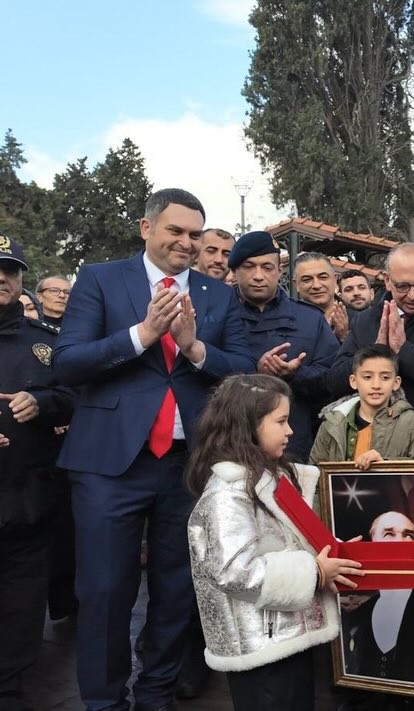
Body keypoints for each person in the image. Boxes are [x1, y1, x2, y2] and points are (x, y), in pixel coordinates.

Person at [52, 188, 255, 711]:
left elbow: (243, 370)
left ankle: (156, 694)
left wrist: (194, 347)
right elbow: (68, 362)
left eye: (195, 234)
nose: (187, 242)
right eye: (176, 231)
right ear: (147, 228)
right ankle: (104, 701)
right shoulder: (100, 279)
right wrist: (142, 335)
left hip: (189, 467)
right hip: (108, 465)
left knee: (178, 589)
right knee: (104, 590)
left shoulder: (217, 296)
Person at [186, 374, 364, 711]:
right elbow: (234, 572)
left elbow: (294, 541)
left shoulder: (271, 479)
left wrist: (334, 559)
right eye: (281, 421)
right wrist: (316, 571)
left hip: (286, 636)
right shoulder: (227, 493)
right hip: (262, 649)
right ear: (248, 427)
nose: (290, 430)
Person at [0, 236, 74, 710]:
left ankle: (8, 687)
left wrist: (43, 402)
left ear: (21, 277)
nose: (0, 278)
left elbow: (74, 397)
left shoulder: (45, 342)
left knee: (21, 604)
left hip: (27, 498)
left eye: (9, 270)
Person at [325, 243, 414, 418]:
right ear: (387, 281)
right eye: (402, 287)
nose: (413, 295)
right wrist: (373, 352)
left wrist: (405, 350)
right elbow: (334, 383)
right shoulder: (364, 321)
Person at [230, 231, 338, 462]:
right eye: (249, 267)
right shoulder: (217, 314)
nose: (258, 276)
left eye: (267, 267)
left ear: (280, 271)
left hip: (293, 444)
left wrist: (294, 374)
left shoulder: (310, 319)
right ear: (235, 271)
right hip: (232, 442)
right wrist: (255, 373)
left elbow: (332, 378)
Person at [341, 510, 414, 687]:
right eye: (389, 534)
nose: (400, 542)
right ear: (372, 544)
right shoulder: (358, 615)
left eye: (408, 535)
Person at [310, 344, 414, 468]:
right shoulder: (332, 424)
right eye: (367, 377)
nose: (376, 385)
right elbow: (315, 473)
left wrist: (385, 464)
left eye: (385, 377)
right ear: (353, 381)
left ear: (396, 383)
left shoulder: (413, 424)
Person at [294, 251, 349, 342]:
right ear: (296, 285)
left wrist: (344, 338)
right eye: (307, 280)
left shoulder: (359, 319)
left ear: (335, 279)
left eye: (323, 277)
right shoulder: (286, 321)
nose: (316, 285)